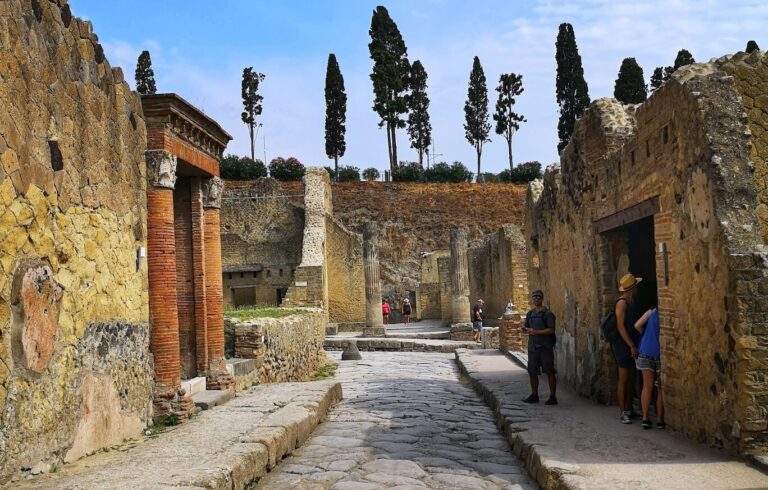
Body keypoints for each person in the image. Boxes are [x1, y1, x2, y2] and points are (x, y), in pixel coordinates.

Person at [613, 273, 643, 424]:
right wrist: (631, 345)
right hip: (623, 344)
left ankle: (629, 408)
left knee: (631, 376)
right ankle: (623, 411)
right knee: (624, 378)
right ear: (632, 288)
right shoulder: (622, 303)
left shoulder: (631, 302)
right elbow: (620, 327)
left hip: (631, 342)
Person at [522, 290, 557, 405]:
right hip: (533, 347)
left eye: (538, 298)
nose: (536, 299)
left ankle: (552, 396)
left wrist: (536, 331)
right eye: (534, 298)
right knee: (532, 372)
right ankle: (534, 395)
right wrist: (525, 329)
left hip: (545, 347)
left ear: (542, 299)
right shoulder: (530, 314)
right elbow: (526, 327)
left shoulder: (548, 314)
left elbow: (551, 330)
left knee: (549, 372)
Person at [635, 307, 665, 430]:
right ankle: (659, 420)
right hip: (660, 354)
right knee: (660, 388)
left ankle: (645, 418)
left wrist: (645, 334)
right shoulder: (665, 316)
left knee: (647, 386)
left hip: (646, 351)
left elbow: (636, 325)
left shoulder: (651, 312)